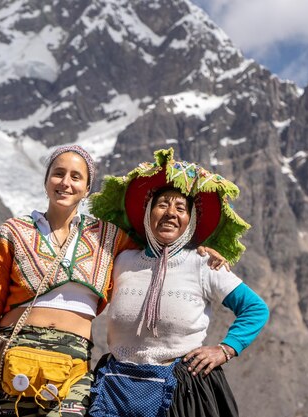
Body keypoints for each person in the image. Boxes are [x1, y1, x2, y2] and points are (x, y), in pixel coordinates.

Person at [0, 145, 227, 417]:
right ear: (46, 180)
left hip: (73, 363)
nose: (65, 183)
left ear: (87, 188)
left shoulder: (109, 238)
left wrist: (200, 250)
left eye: (76, 177)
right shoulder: (13, 232)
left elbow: (160, 249)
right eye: (58, 173)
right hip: (14, 356)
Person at [88, 148, 270, 417]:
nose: (171, 213)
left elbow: (255, 309)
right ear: (148, 213)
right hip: (115, 387)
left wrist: (226, 349)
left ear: (190, 220)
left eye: (181, 208)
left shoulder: (204, 264)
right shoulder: (122, 259)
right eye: (162, 205)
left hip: (179, 393)